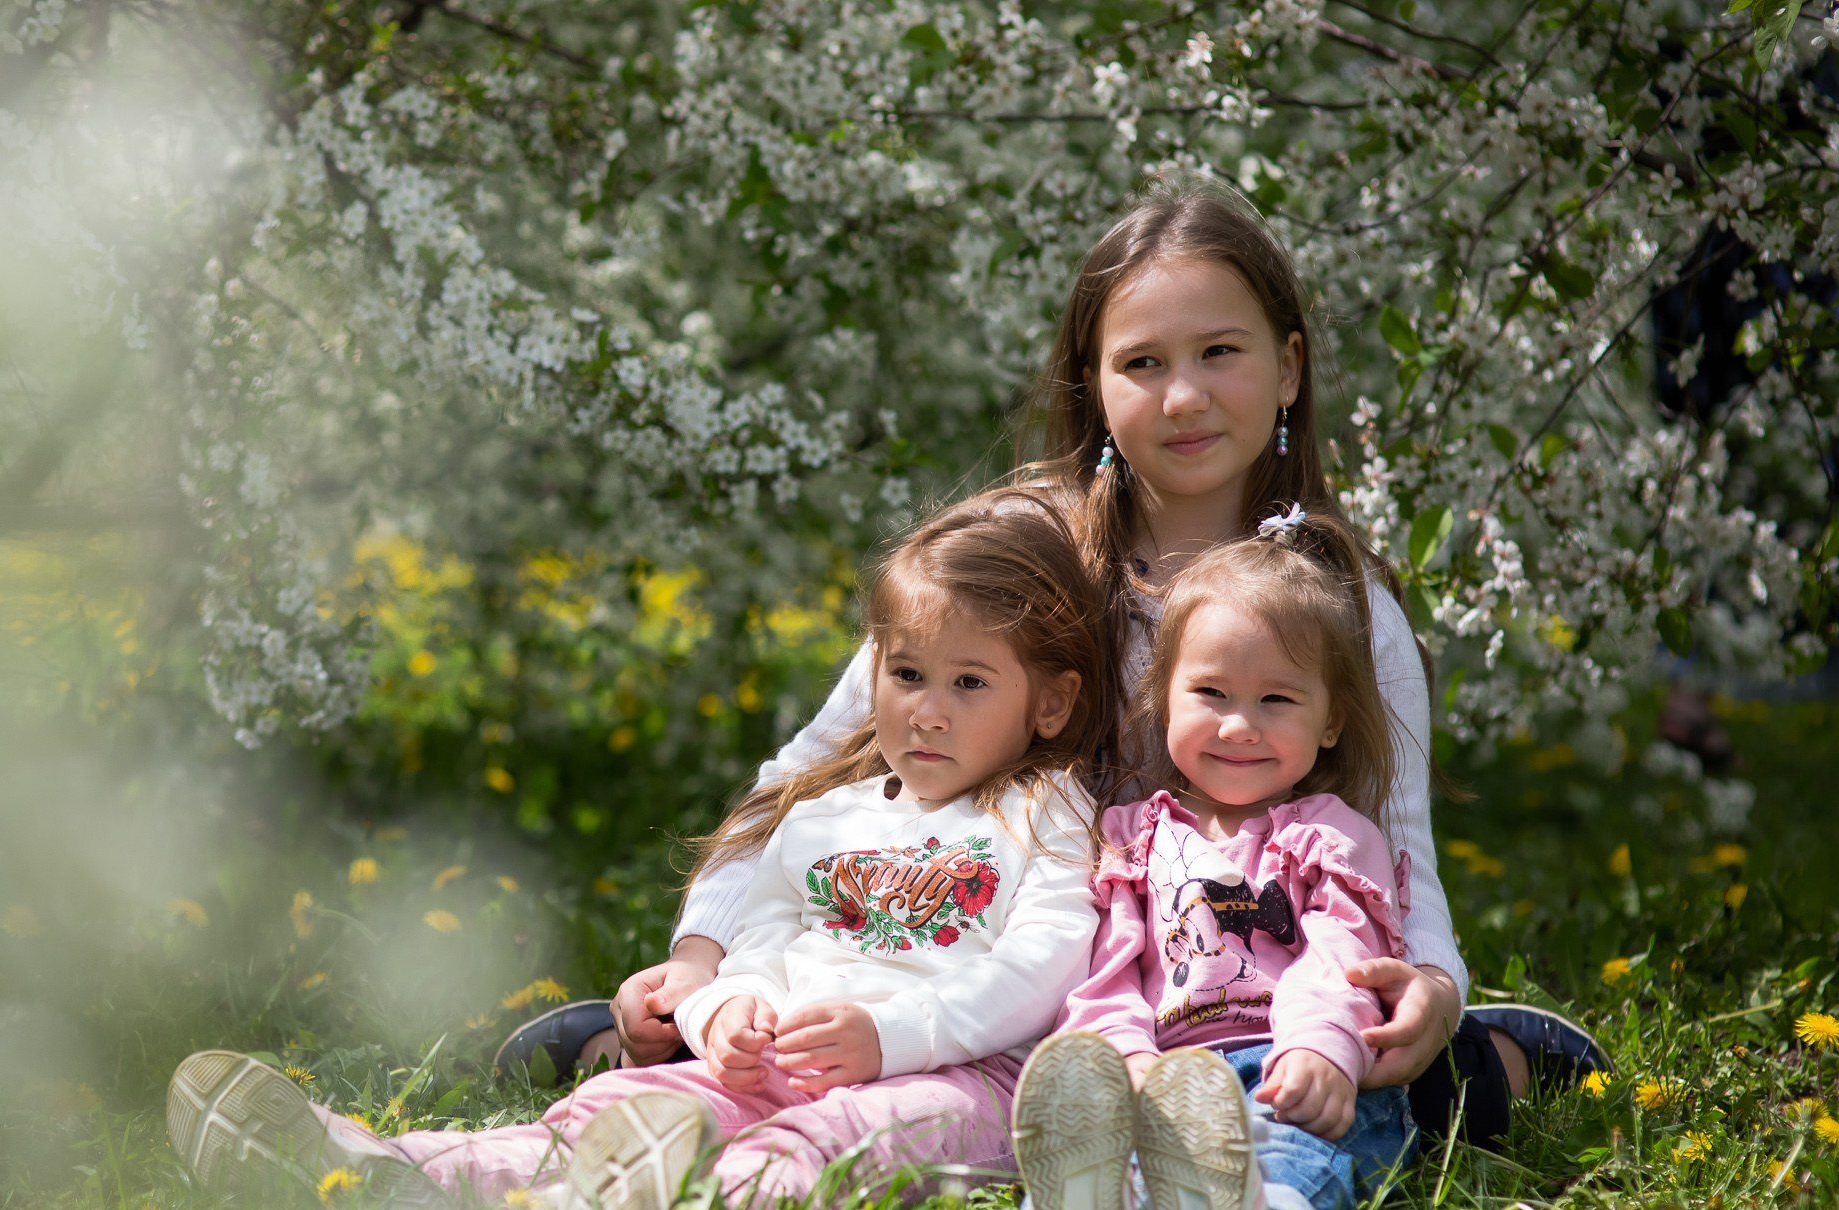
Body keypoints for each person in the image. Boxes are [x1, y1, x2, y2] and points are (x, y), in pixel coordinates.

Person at [509, 184, 1606, 1145]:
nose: (1183, 397)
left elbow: (1398, 846)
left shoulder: (1337, 598)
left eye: (1220, 351)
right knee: (832, 1050)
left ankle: (1494, 1060)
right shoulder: (1020, 553)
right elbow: (814, 771)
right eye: (1141, 363)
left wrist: (1436, 993)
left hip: (1214, 986)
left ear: (1289, 367)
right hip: (981, 963)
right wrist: (699, 958)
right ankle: (652, 1046)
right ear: (1093, 384)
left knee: (1347, 1083)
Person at [167, 490, 1110, 1210]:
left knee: (818, 1148)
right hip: (780, 1060)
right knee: (621, 1109)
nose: (929, 712)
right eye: (907, 676)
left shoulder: (1046, 812)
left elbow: (1041, 965)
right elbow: (768, 935)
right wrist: (720, 1012)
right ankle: (378, 1172)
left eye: (970, 683)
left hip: (957, 1077)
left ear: (1054, 703)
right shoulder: (827, 818)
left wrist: (893, 1034)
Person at [1015, 509, 1419, 1210]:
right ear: (1164, 698)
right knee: (1150, 1143)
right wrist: (1126, 1058)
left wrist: (1322, 1049)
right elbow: (1106, 968)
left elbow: (1344, 956)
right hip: (1170, 1074)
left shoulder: (1331, 836)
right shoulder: (1130, 837)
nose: (1239, 727)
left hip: (1288, 1061)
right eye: (1212, 694)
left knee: (1306, 1140)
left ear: (1331, 720)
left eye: (1277, 701)